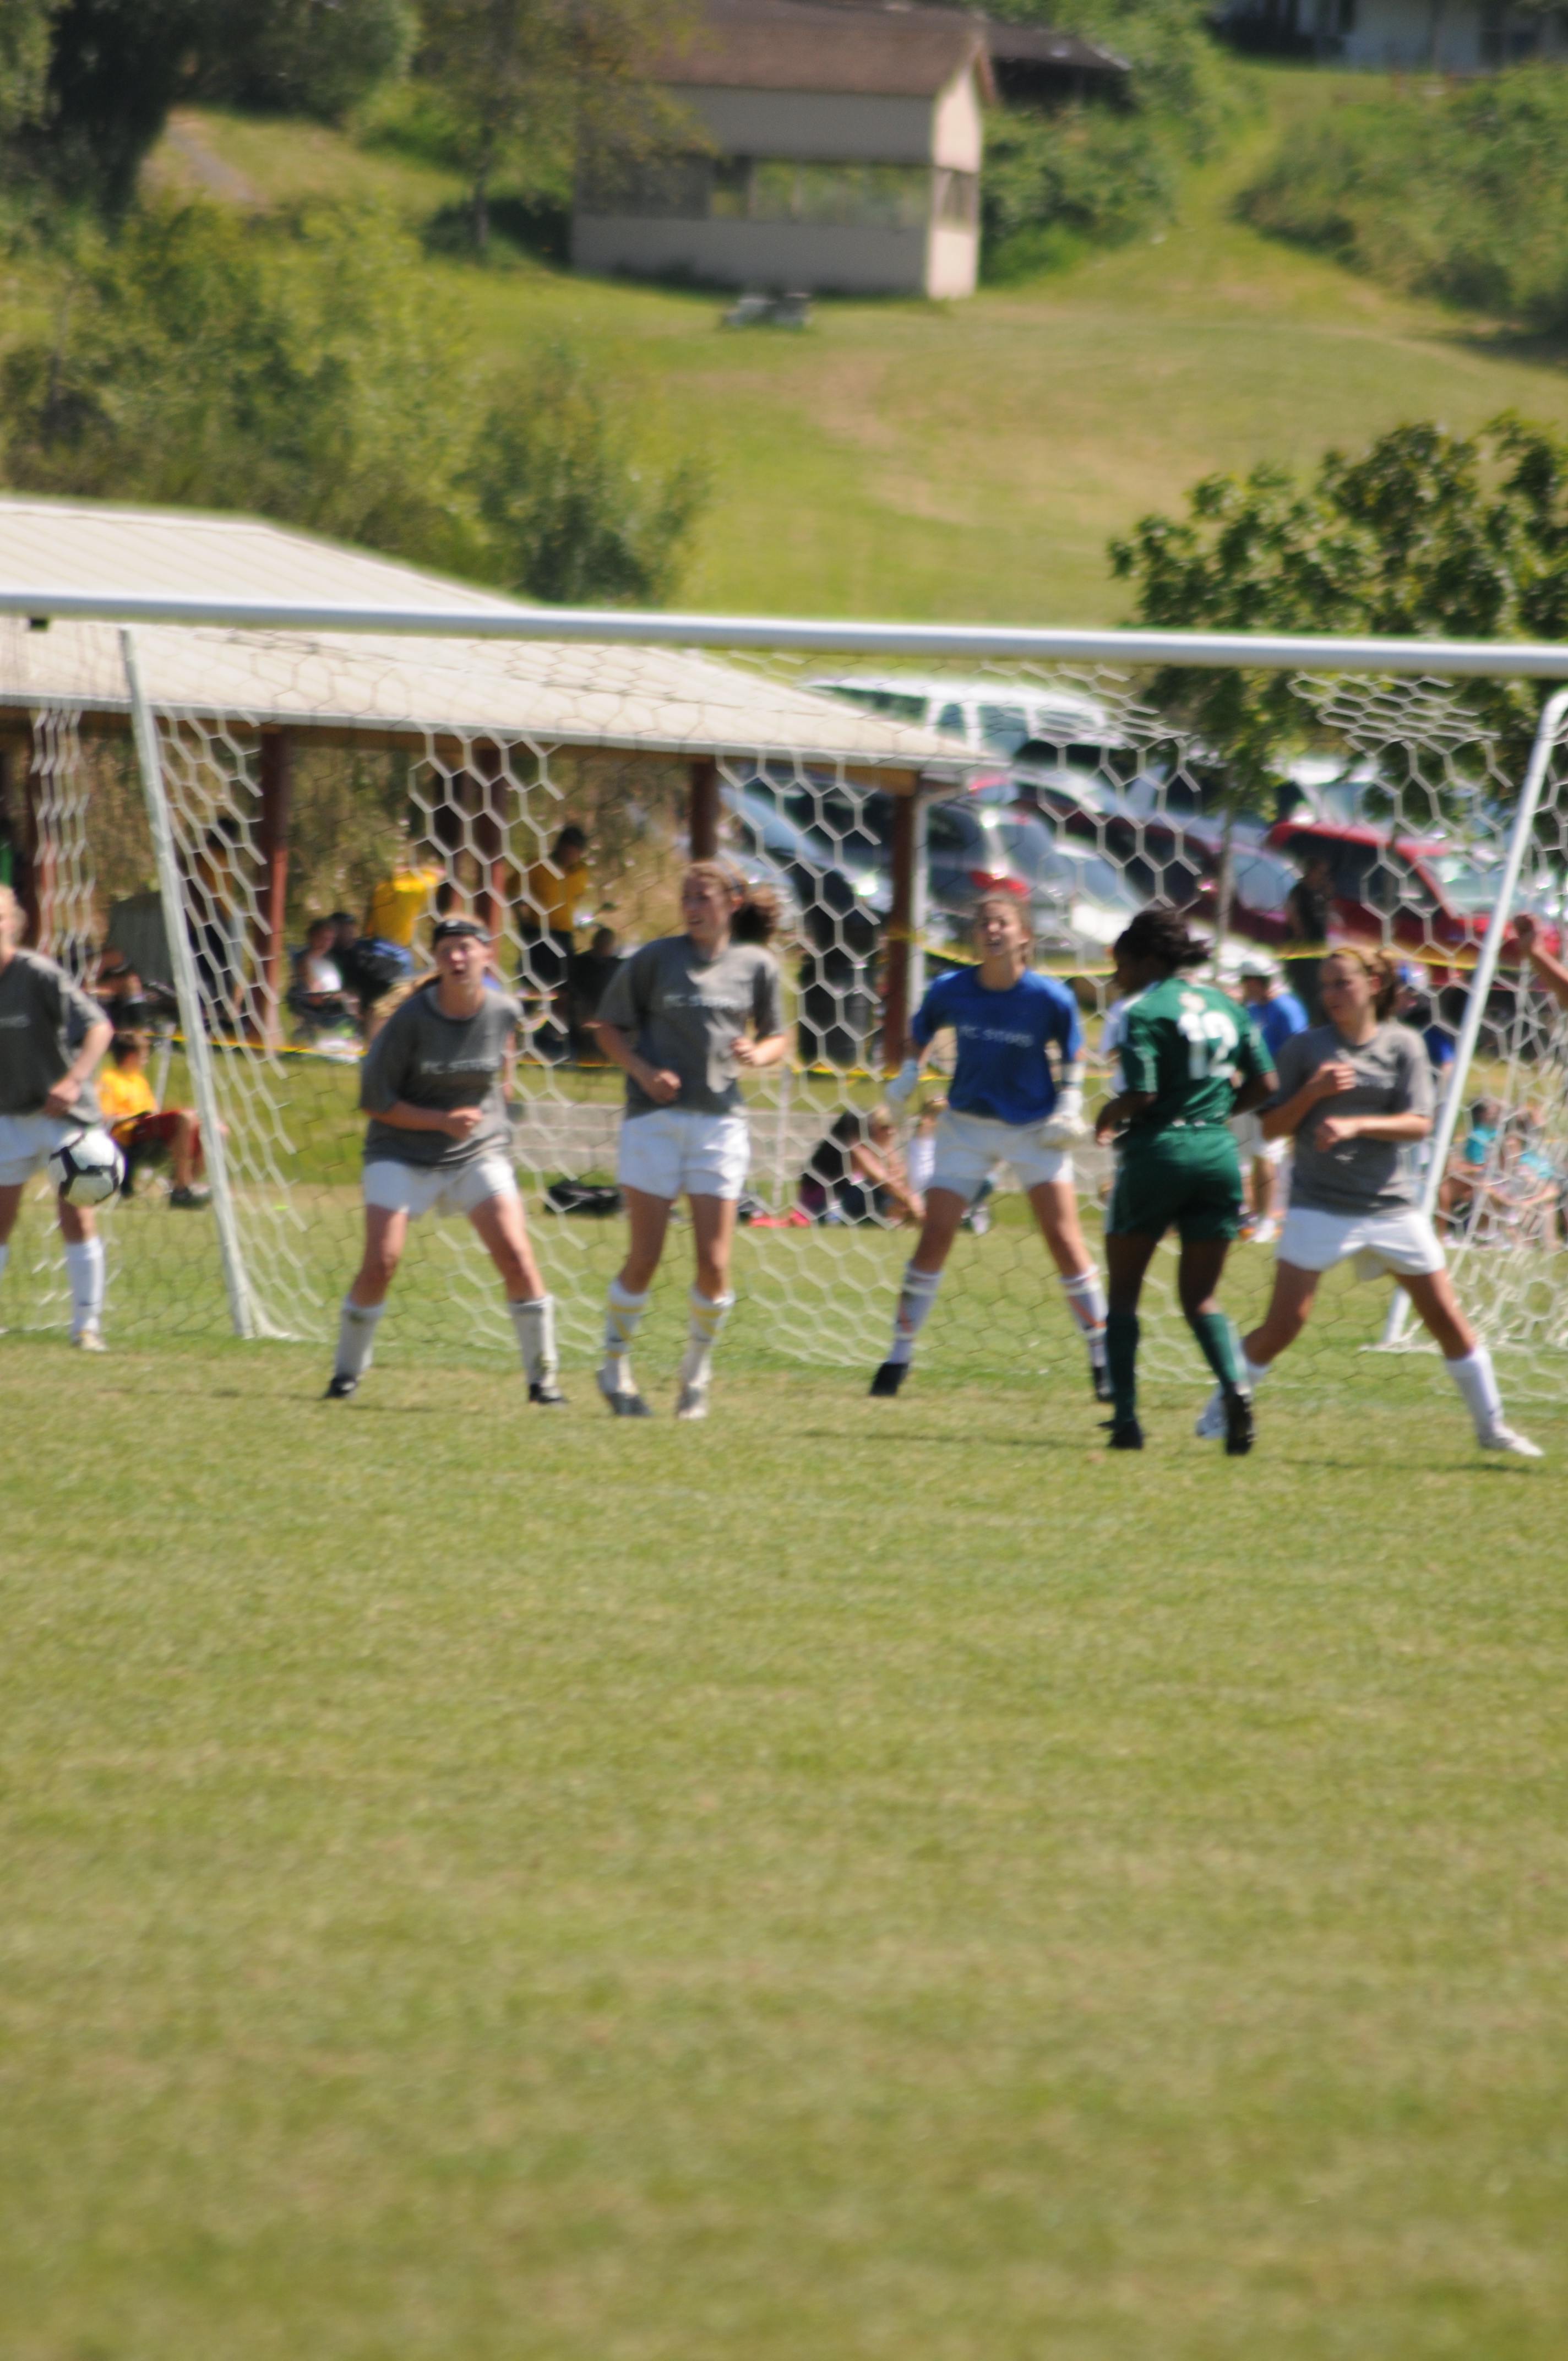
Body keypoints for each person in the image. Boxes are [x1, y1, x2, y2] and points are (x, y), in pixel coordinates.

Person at [1194, 946, 1540, 1457]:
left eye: (1342, 983)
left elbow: (1420, 1124)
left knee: (1446, 1319)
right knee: (1284, 1325)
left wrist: (1356, 1123)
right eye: (1325, 985)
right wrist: (1312, 1093)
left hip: (1391, 1208)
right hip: (1317, 1205)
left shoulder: (1404, 1046)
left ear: (1373, 986)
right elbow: (1269, 1129)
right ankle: (1219, 1411)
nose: (1331, 994)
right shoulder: (1304, 1049)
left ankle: (1493, 1429)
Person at [869, 894, 1109, 1402]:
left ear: (1024, 935)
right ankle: (896, 1358)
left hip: (1033, 1128)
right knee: (935, 1234)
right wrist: (910, 1071)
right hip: (967, 1126)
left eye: (1002, 922)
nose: (992, 930)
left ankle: (1103, 1360)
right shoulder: (950, 988)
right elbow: (921, 1030)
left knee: (1064, 1238)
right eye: (983, 923)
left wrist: (1070, 1101)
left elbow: (1073, 1051)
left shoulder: (1050, 997)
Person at [323, 915, 563, 1405]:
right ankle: (345, 1376)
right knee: (381, 1263)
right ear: (435, 959)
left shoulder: (503, 1011)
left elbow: (501, 1072)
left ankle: (544, 1383)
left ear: (488, 955)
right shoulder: (409, 1020)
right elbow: (374, 1102)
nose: (457, 957)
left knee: (517, 1256)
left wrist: (488, 1117)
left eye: (466, 947)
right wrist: (440, 1120)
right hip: (400, 1150)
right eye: (447, 949)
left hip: (475, 1151)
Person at [592, 859, 787, 1419]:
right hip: (653, 1121)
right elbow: (607, 1027)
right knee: (645, 1256)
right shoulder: (655, 959)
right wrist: (643, 1070)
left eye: (703, 897)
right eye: (687, 897)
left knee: (714, 1263)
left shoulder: (756, 965)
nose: (693, 907)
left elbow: (777, 1037)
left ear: (732, 903)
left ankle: (695, 1375)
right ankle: (614, 1366)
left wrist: (757, 1053)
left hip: (719, 1123)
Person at [1094, 907, 1276, 1452]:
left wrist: (1108, 1114)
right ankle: (1235, 1389)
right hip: (1218, 1155)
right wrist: (1217, 1115)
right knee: (1201, 1297)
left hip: (1159, 1153)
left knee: (1123, 1294)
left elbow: (1143, 1093)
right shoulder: (1229, 1005)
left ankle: (1126, 1420)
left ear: (1149, 961)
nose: (1117, 978)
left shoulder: (1142, 1010)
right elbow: (1267, 1083)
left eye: (1122, 965)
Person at [0, 883, 113, 1348]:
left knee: (76, 1217)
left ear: (11, 924)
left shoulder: (37, 974)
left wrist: (72, 1080)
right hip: (10, 1116)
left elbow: (100, 1028)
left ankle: (87, 1326)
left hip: (64, 1118)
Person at [1233, 952, 1308, 1244]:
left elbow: (1300, 1051)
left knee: (1264, 1154)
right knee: (1244, 1154)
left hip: (1276, 1094)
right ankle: (1250, 1214)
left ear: (1255, 981)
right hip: (1250, 1090)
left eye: (1246, 981)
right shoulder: (1252, 1008)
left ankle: (1267, 1219)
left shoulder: (1285, 1008)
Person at [97, 1030, 210, 1206]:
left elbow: (152, 1112)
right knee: (185, 1117)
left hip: (150, 1132)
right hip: (129, 1136)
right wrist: (134, 1116)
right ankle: (182, 1189)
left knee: (213, 1129)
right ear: (131, 1056)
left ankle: (184, 1188)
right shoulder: (109, 1079)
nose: (146, 1061)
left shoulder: (139, 1081)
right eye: (144, 1056)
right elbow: (104, 1118)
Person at [800, 1106, 922, 1226]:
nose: (891, 1131)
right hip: (825, 1205)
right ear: (871, 1127)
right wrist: (911, 1199)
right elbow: (880, 1178)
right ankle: (902, 1220)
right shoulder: (856, 1147)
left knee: (894, 1189)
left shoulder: (883, 1146)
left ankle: (904, 1221)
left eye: (893, 1127)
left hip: (848, 1200)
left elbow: (897, 1176)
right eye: (885, 1127)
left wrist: (907, 1190)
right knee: (878, 1189)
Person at [1283, 852, 1333, 1021]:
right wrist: (1299, 932)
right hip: (1302, 951)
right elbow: (1291, 912)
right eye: (1321, 872)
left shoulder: (1319, 894)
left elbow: (1326, 917)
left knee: (1317, 988)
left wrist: (1327, 897)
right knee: (1305, 989)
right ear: (1310, 872)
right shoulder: (1299, 891)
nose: (1324, 877)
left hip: (1317, 949)